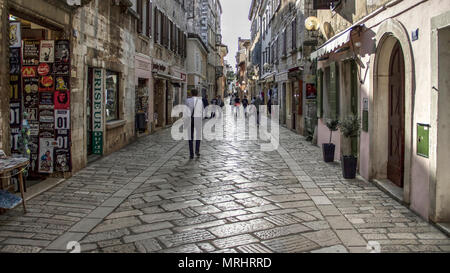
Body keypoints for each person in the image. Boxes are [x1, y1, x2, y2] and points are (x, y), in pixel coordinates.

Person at [185, 89, 204, 159]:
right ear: (197, 94)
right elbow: (202, 111)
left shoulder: (187, 100)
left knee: (190, 137)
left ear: (191, 93)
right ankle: (197, 150)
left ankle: (191, 154)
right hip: (198, 119)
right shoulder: (200, 101)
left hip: (190, 119)